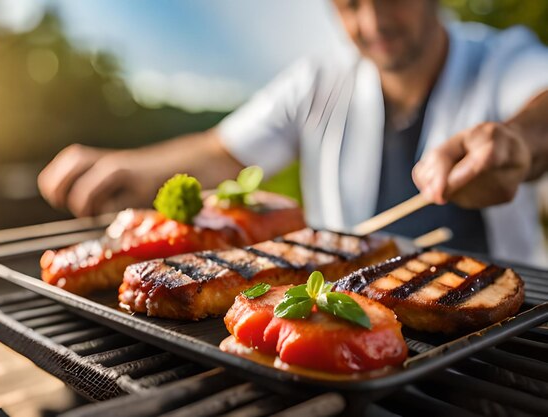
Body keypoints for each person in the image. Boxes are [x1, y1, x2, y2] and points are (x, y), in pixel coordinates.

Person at [38, 0, 548, 265]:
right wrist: (130, 166)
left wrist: (518, 144)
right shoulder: (318, 81)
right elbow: (224, 153)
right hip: (347, 336)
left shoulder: (501, 57)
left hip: (497, 351)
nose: (373, 21)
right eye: (350, 4)